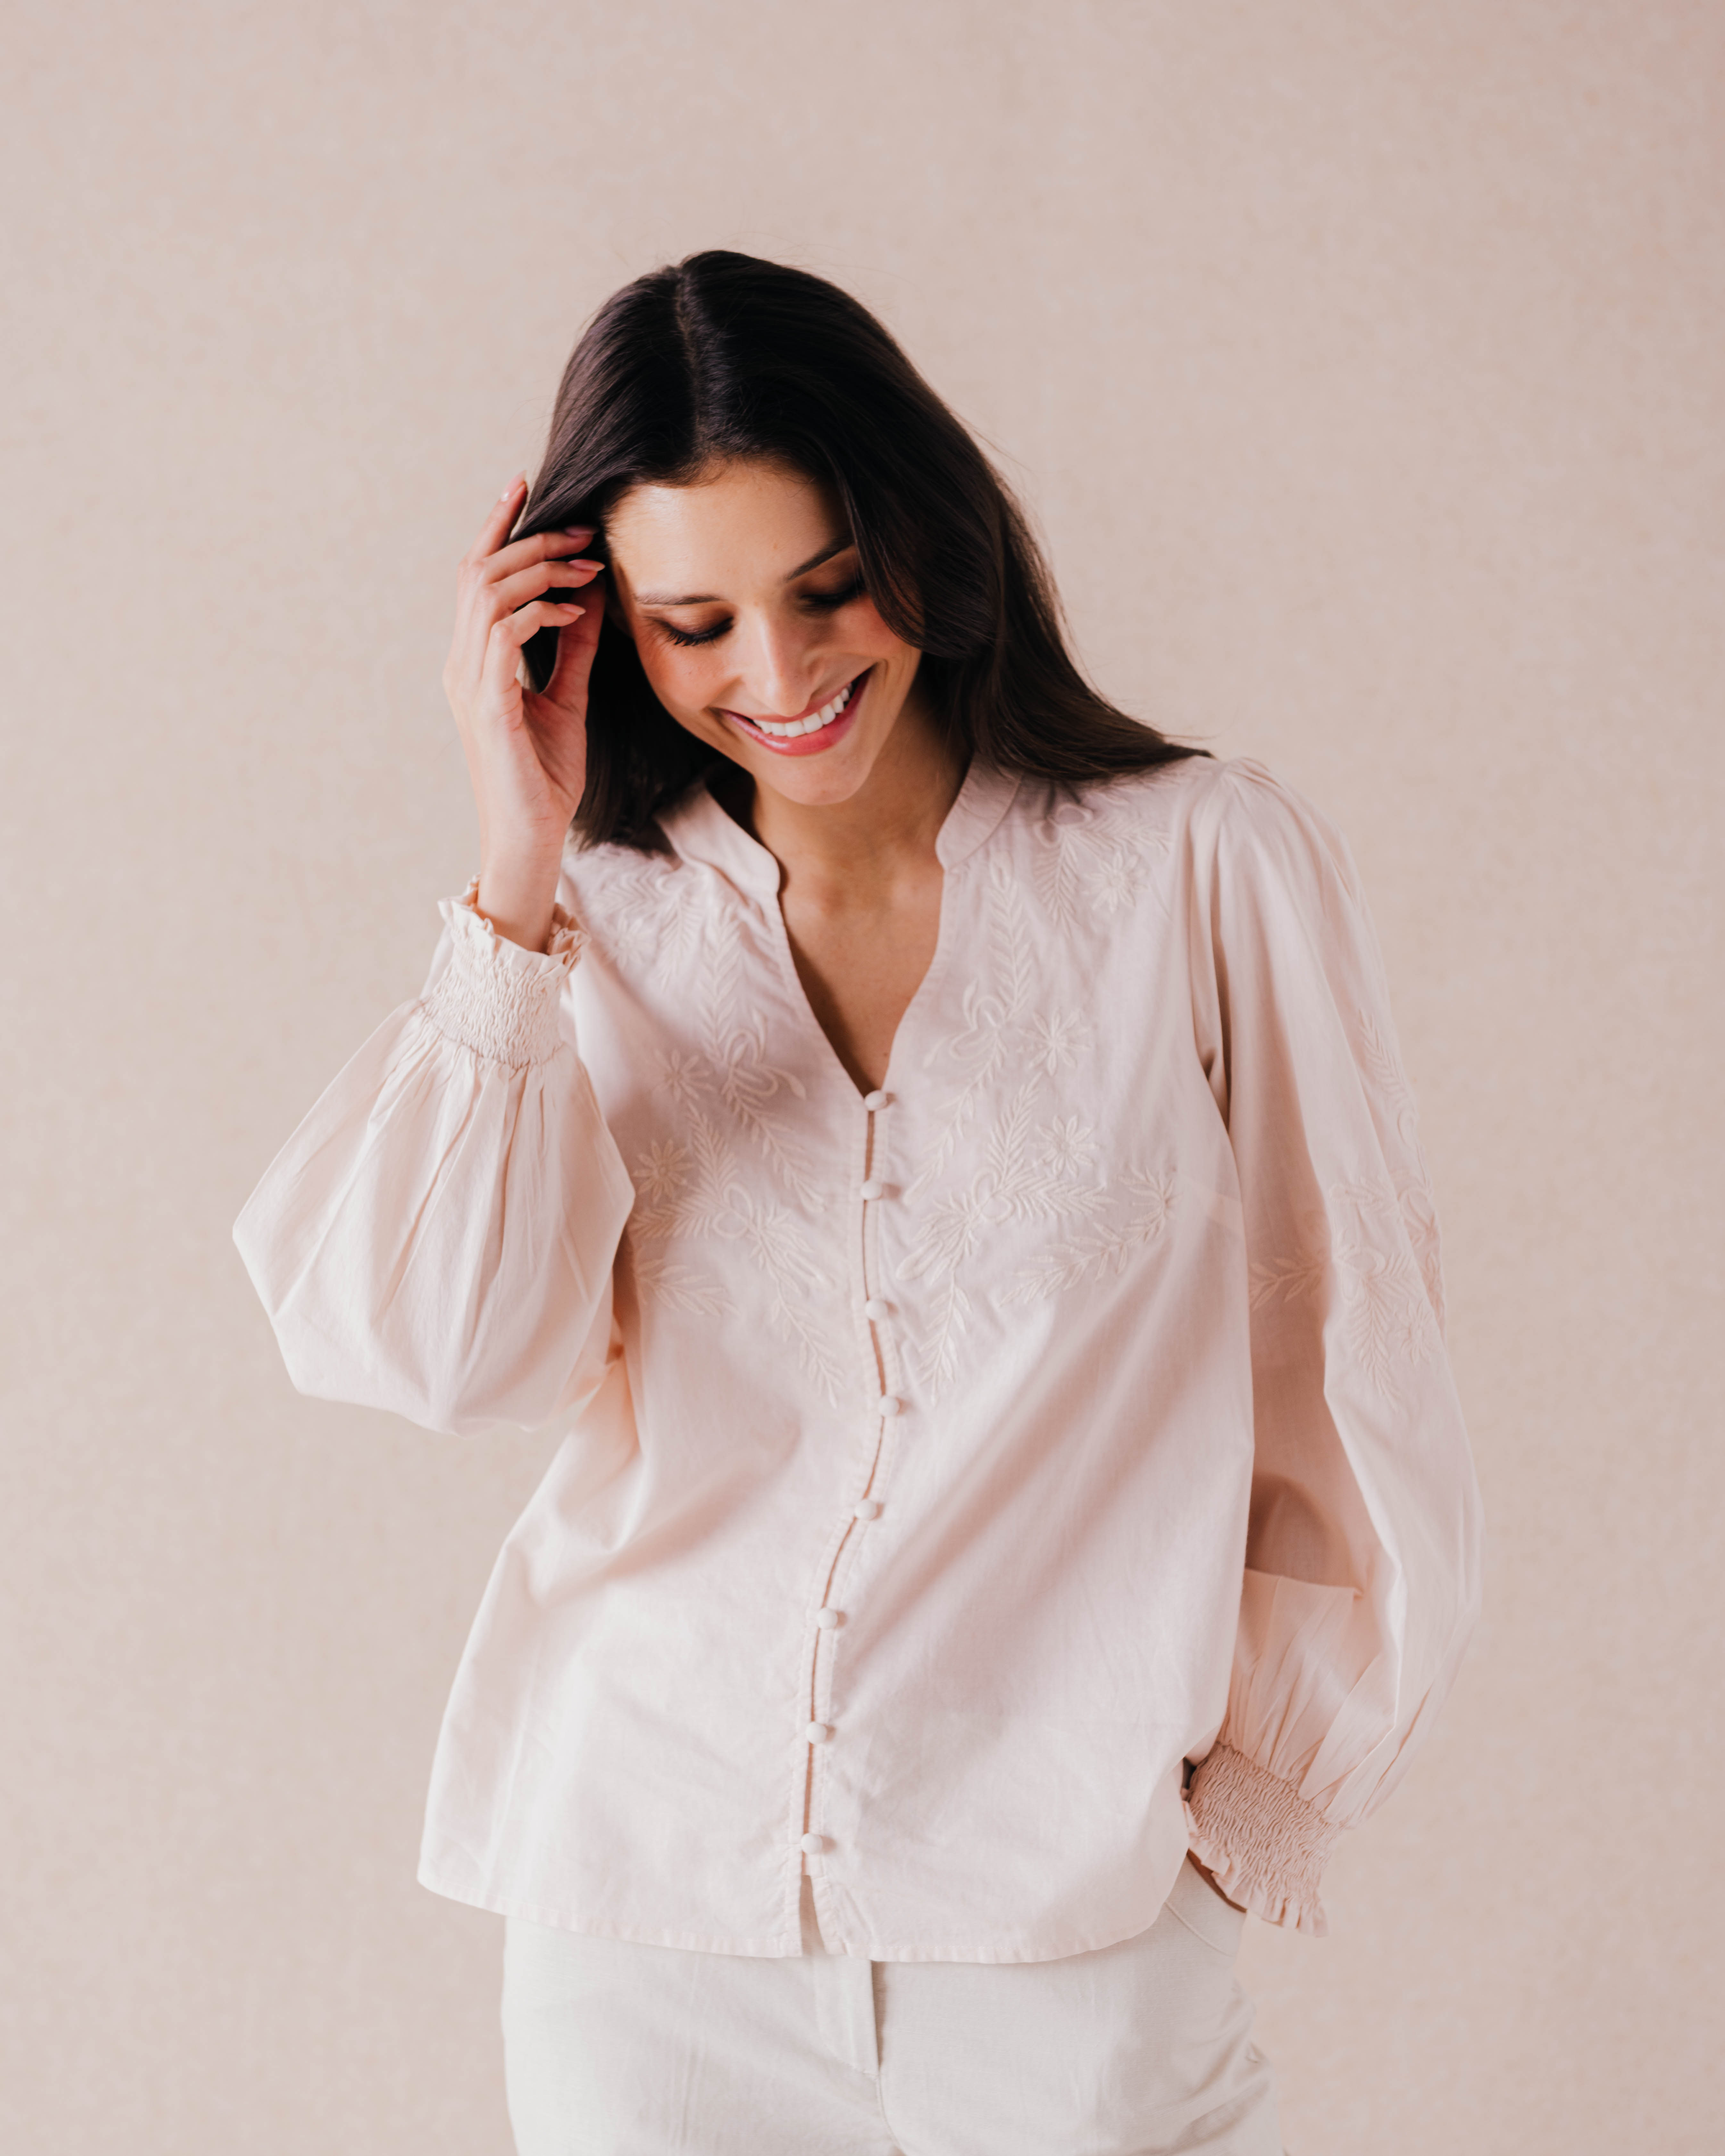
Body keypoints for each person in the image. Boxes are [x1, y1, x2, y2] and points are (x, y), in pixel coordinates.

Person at [234, 251, 1482, 2156]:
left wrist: (1241, 1816)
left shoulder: (1198, 865)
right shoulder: (591, 925)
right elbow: (442, 1357)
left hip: (1063, 1922)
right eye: (695, 622)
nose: (781, 673)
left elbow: (1352, 1346)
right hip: (642, 1918)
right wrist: (515, 848)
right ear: (602, 623)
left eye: (826, 588)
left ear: (921, 532)